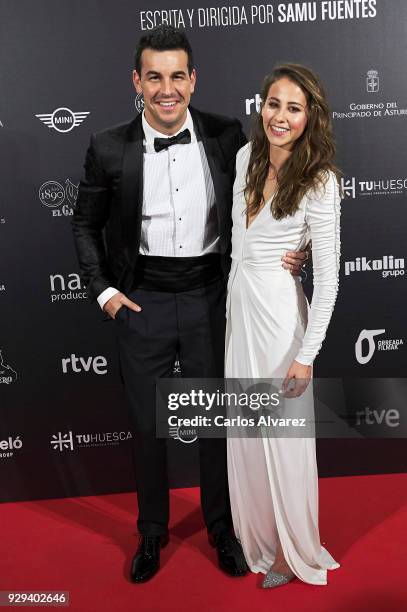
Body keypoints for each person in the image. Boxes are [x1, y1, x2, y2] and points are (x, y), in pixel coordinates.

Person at [72, 26, 306, 583]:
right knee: (147, 422)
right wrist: (105, 293)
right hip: (142, 297)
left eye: (178, 75)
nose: (167, 88)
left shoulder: (229, 137)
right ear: (137, 81)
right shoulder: (108, 145)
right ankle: (151, 532)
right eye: (155, 76)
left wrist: (296, 248)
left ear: (193, 80)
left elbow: (286, 182)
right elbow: (85, 225)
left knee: (213, 422)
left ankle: (221, 530)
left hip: (211, 295)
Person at [226, 64, 341, 588]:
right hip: (240, 317)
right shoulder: (245, 158)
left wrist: (306, 355)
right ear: (261, 105)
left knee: (285, 439)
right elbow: (242, 245)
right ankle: (263, 538)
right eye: (274, 103)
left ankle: (291, 554)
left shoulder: (320, 180)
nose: (280, 116)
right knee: (249, 437)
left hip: (279, 325)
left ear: (309, 116)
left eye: (293, 108)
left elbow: (330, 279)